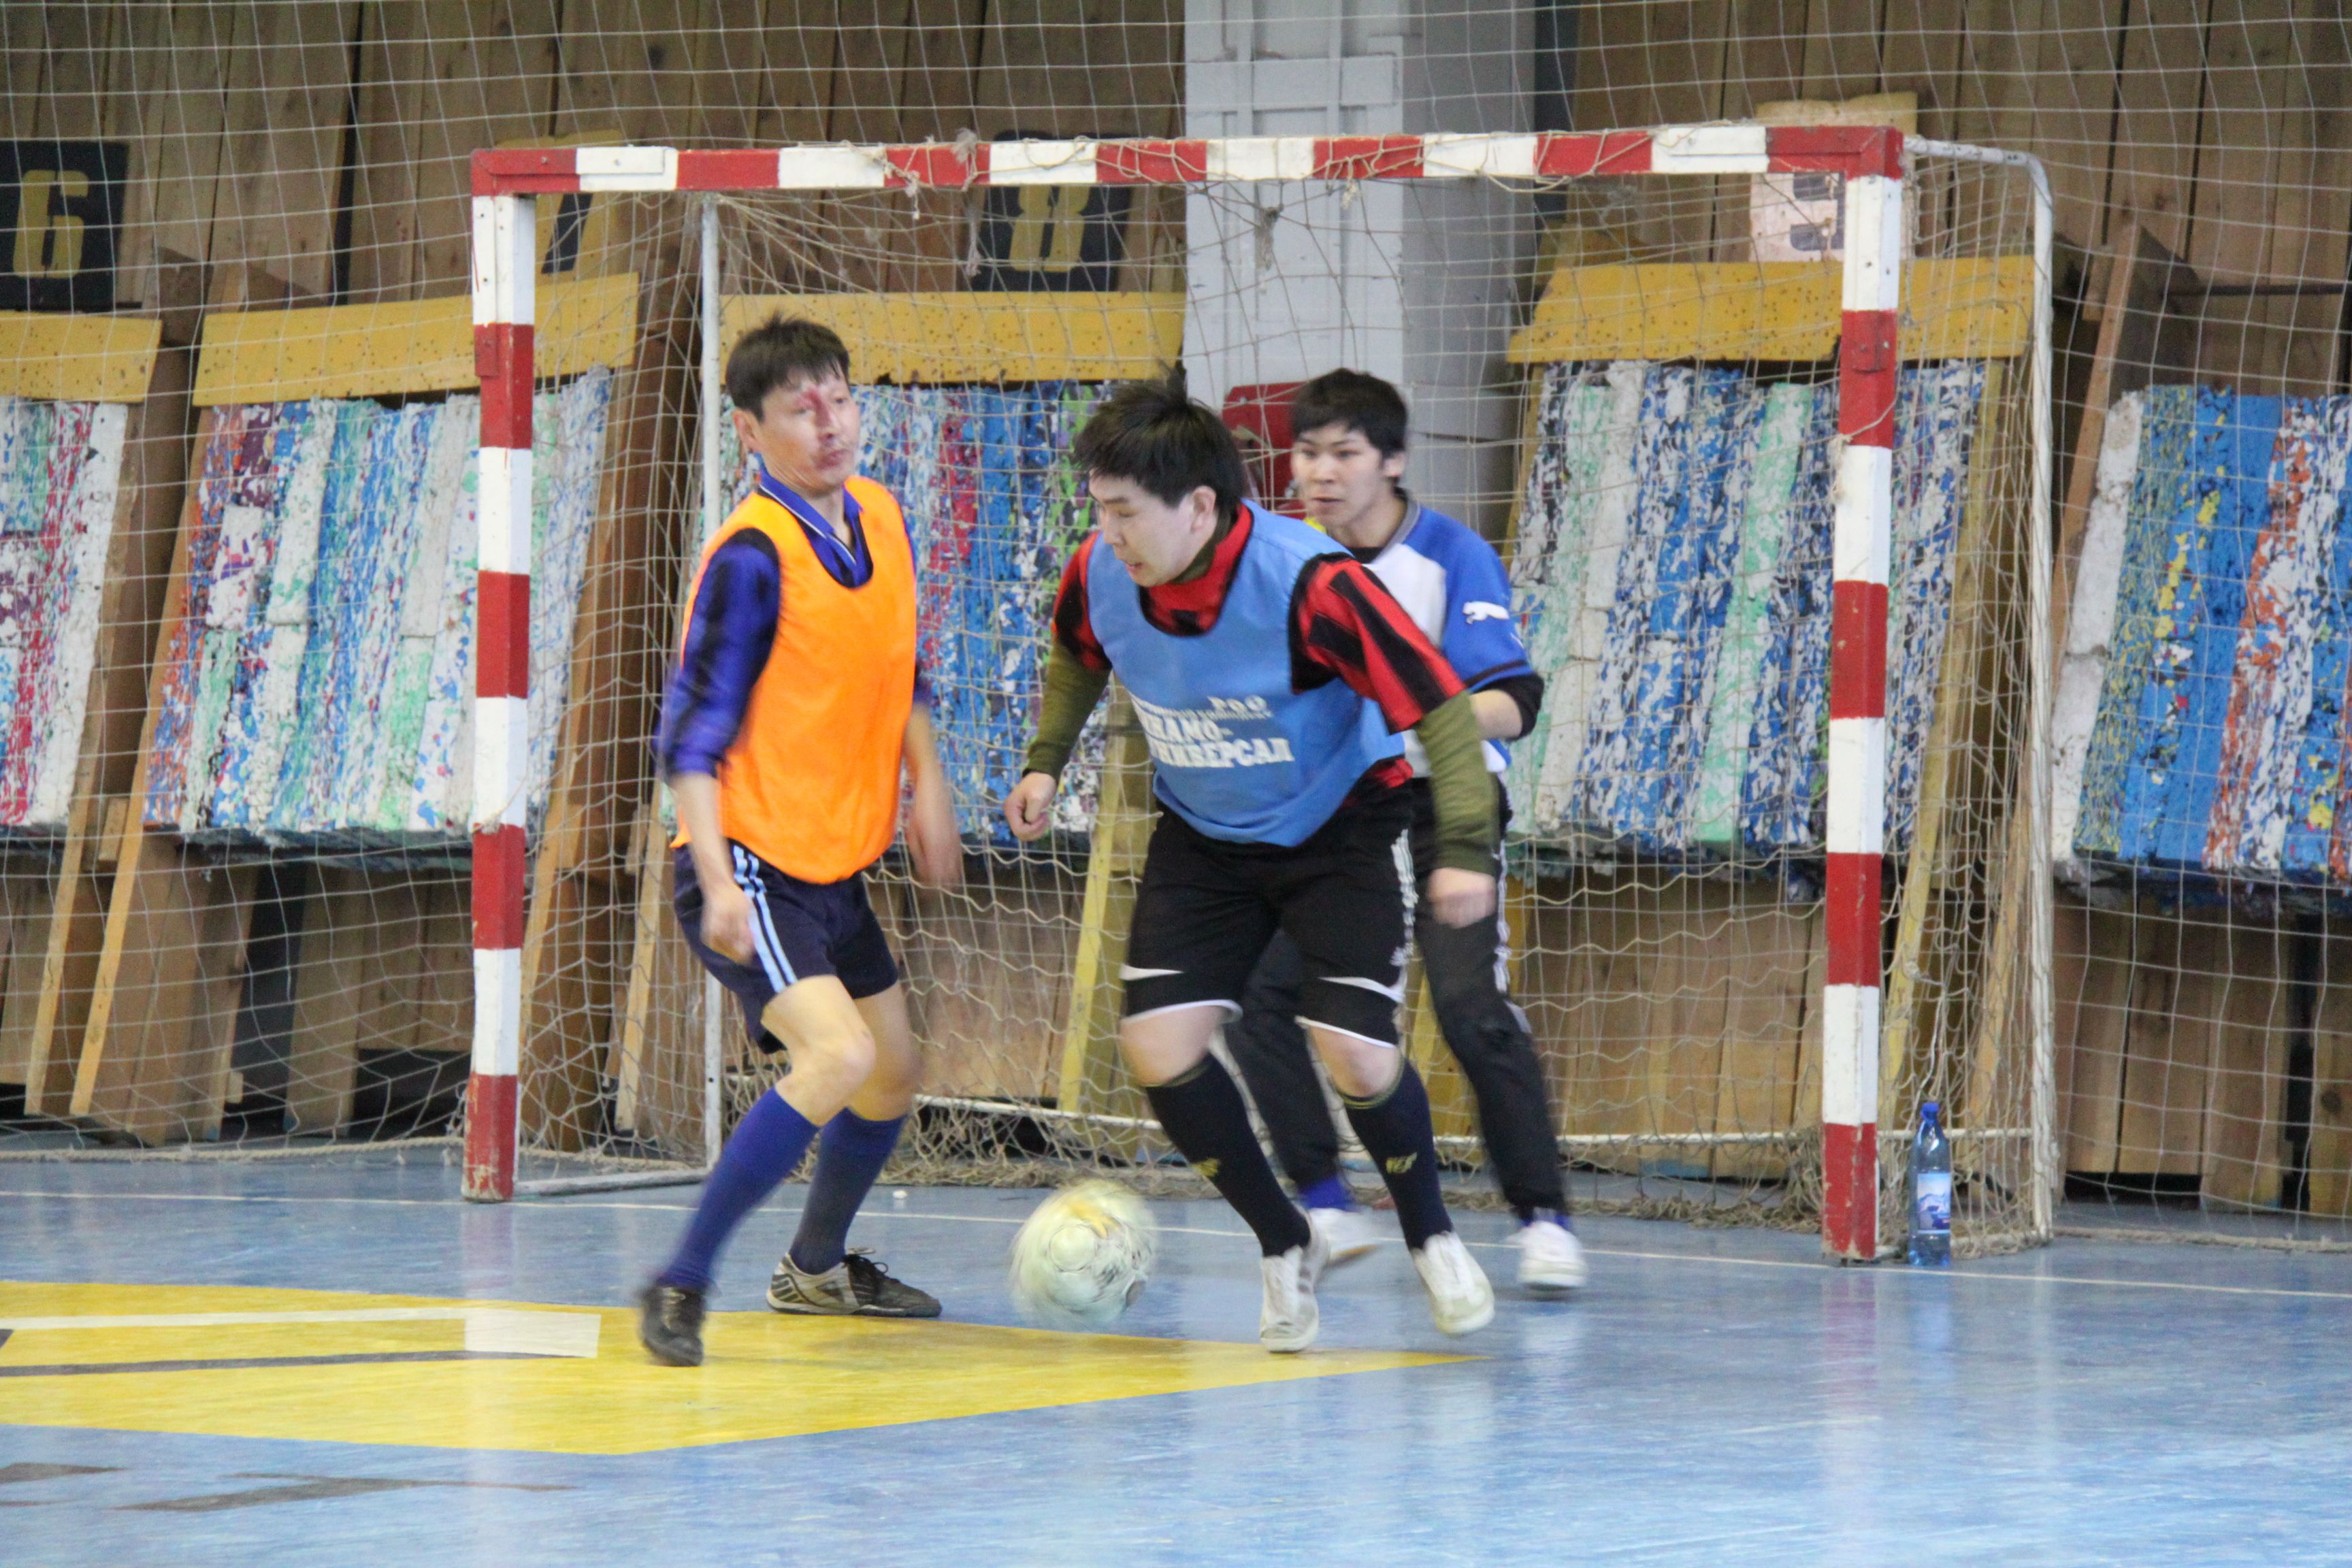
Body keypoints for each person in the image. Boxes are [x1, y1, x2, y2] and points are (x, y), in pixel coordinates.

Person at [1004, 373, 1499, 1352]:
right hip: (1206, 837)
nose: (1109, 533)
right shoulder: (1101, 571)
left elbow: (1440, 707)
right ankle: (1284, 1240)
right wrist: (1045, 762)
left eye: (1125, 513)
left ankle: (1432, 1235)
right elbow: (1077, 656)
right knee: (1157, 1046)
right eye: (1100, 511)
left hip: (1337, 826)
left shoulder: (1313, 586)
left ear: (1200, 506)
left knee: (1355, 1051)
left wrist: (1465, 852)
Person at [638, 317, 963, 1367]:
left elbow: (903, 671)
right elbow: (690, 740)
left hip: (832, 865)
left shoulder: (880, 516)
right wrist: (719, 879)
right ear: (750, 430)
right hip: (749, 862)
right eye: (799, 409)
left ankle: (815, 1271)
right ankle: (681, 1280)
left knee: (893, 1072)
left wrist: (929, 787)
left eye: (840, 400)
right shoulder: (751, 557)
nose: (830, 425)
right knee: (840, 1055)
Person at [1226, 370, 1586, 1296]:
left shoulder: (1450, 557)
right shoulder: (1282, 558)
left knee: (1469, 1005)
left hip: (1443, 803)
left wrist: (1421, 713)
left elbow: (1517, 700)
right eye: (1307, 452)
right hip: (1335, 812)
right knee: (1260, 996)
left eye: (1345, 453)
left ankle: (1543, 1219)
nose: (1322, 472)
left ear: (1391, 462)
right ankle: (1325, 1200)